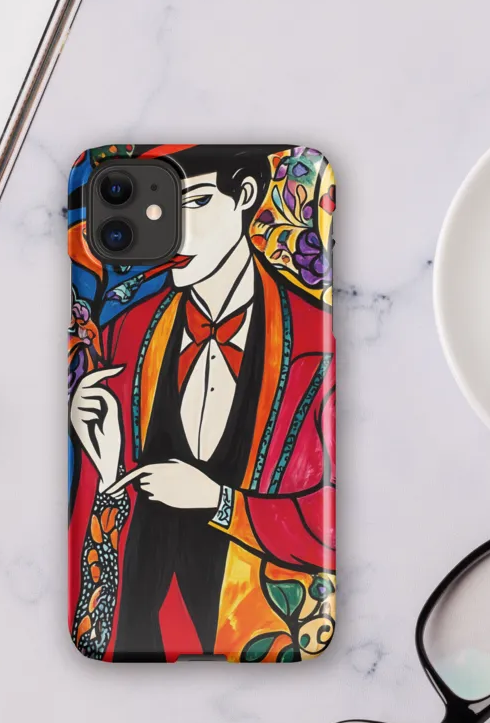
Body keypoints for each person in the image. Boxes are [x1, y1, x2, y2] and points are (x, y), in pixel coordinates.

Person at [69, 146, 335, 662]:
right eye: (160, 212)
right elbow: (105, 524)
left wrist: (220, 501)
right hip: (138, 624)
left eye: (194, 202)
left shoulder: (312, 343)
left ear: (246, 196)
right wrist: (104, 472)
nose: (175, 235)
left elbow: (322, 525)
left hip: (256, 622)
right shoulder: (124, 335)